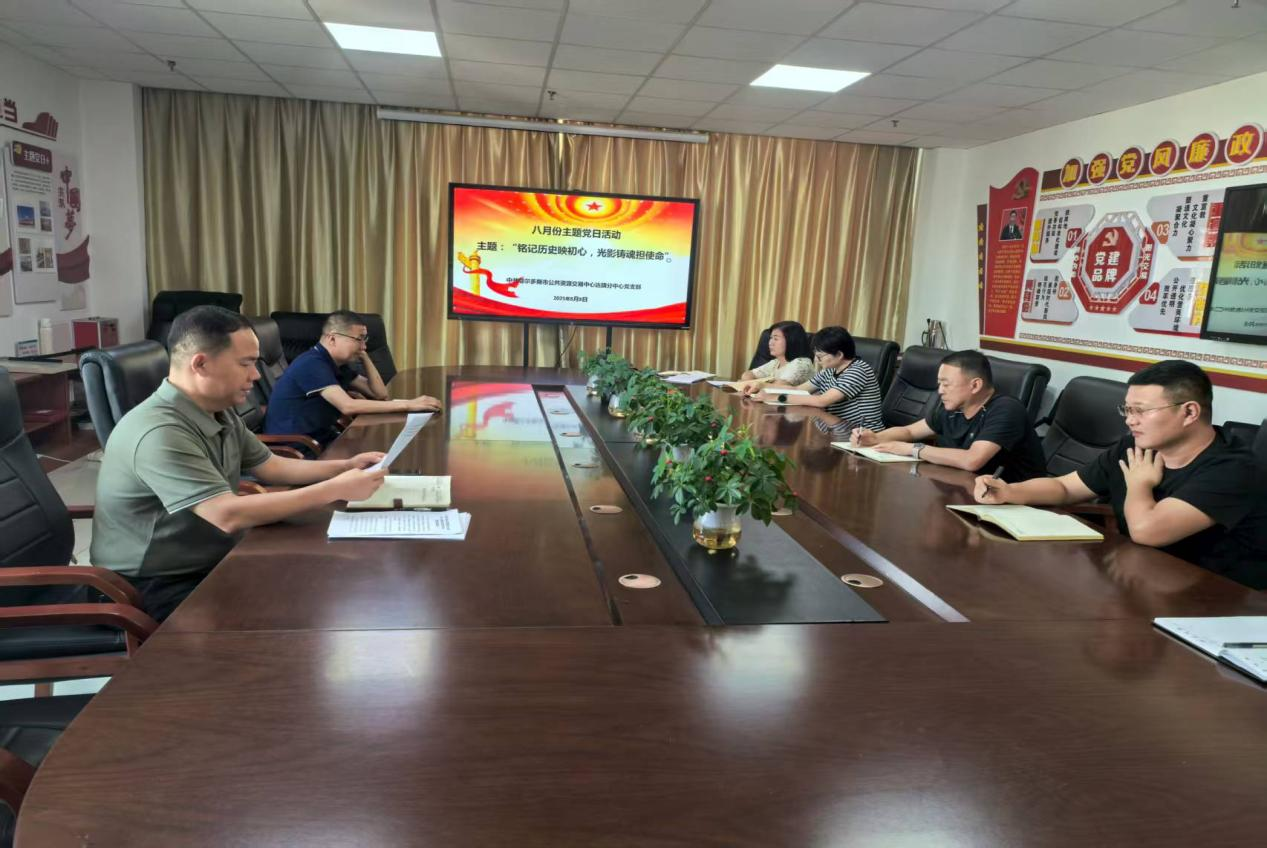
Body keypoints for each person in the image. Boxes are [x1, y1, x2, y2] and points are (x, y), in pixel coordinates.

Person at [90, 306, 389, 621]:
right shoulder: (159, 432)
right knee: (292, 612)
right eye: (246, 363)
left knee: (324, 579)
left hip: (207, 555)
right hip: (151, 584)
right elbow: (225, 514)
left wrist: (346, 466)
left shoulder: (217, 409)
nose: (256, 375)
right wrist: (334, 489)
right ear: (200, 364)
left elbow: (272, 467)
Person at [973, 360, 1267, 589]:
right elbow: (1065, 487)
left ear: (1189, 412)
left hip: (1216, 600)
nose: (1130, 421)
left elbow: (1147, 531)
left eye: (1140, 411)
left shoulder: (1233, 468)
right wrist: (1008, 491)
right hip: (1140, 576)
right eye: (1126, 410)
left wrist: (1139, 485)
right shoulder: (1135, 446)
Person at [851, 349, 1045, 482]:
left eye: (946, 384)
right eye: (939, 384)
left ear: (975, 385)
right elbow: (909, 431)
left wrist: (913, 449)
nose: (940, 391)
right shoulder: (953, 408)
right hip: (964, 487)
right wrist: (875, 437)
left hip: (1016, 503)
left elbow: (972, 460)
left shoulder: (1006, 409)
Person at [264, 310, 441, 443]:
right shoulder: (312, 363)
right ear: (332, 339)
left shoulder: (335, 364)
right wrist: (410, 404)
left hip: (321, 437)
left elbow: (379, 394)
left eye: (365, 340)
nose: (364, 346)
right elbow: (348, 406)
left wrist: (364, 356)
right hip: (296, 447)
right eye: (359, 339)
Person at [763, 326, 883, 430]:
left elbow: (821, 401)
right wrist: (764, 389)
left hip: (862, 433)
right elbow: (799, 389)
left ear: (839, 355)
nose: (816, 360)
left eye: (820, 357)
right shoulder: (831, 369)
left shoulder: (858, 371)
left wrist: (779, 398)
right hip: (837, 427)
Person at [736, 321, 814, 390]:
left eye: (776, 339)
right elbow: (747, 374)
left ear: (791, 341)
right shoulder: (776, 362)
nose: (770, 343)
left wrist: (754, 384)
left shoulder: (801, 363)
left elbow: (778, 387)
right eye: (771, 338)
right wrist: (753, 384)